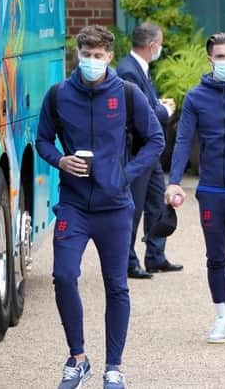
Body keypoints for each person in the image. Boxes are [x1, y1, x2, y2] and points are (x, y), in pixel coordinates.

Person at [36, 25, 165, 389]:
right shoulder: (58, 94)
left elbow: (155, 139)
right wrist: (60, 161)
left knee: (116, 285)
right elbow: (42, 140)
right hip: (74, 205)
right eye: (86, 55)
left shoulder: (127, 93)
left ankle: (114, 367)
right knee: (63, 275)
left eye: (98, 56)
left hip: (114, 206)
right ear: (77, 54)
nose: (91, 62)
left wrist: (126, 174)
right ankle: (77, 359)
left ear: (109, 56)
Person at [165, 33, 225, 346]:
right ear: (210, 59)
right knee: (216, 257)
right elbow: (182, 140)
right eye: (220, 57)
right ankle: (222, 318)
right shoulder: (196, 97)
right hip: (210, 189)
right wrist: (174, 181)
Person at [116, 22, 183, 279]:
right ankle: (128, 262)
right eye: (160, 43)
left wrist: (158, 103)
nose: (161, 48)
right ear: (152, 45)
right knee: (134, 207)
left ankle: (155, 255)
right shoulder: (128, 71)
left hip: (151, 151)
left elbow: (147, 102)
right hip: (138, 151)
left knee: (157, 201)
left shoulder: (140, 69)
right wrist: (164, 111)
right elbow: (135, 111)